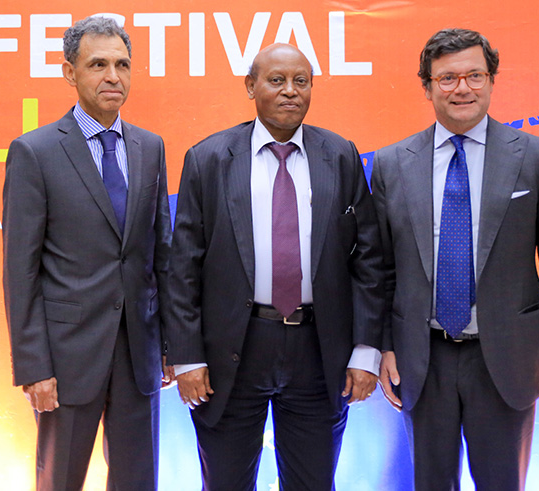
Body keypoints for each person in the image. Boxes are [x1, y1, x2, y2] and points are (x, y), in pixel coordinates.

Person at [372, 28, 539, 490]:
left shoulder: (535, 156)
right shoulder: (392, 164)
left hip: (507, 358)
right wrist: (383, 345)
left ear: (491, 80)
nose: (462, 88)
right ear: (427, 86)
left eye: (475, 75)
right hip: (421, 358)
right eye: (447, 78)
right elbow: (382, 269)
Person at [165, 43, 385, 490]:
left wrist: (366, 351)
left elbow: (368, 260)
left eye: (301, 81)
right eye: (277, 80)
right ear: (251, 86)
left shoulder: (340, 155)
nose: (290, 91)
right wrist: (187, 357)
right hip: (232, 349)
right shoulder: (208, 159)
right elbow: (183, 265)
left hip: (318, 350)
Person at [2, 16, 172, 491]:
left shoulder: (150, 147)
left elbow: (161, 254)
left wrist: (171, 347)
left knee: (139, 481)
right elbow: (20, 271)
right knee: (59, 481)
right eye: (98, 65)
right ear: (69, 73)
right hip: (66, 360)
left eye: (122, 65)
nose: (113, 76)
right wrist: (34, 367)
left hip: (139, 357)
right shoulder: (34, 152)